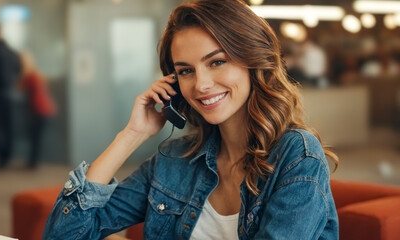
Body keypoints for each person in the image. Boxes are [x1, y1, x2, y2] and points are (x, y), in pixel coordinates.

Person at [43, 0, 339, 239]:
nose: (201, 85)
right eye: (185, 70)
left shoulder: (297, 154)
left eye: (217, 62)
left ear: (253, 61)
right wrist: (132, 134)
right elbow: (64, 234)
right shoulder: (174, 160)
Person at [0, 24, 22, 169]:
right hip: (10, 93)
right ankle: (7, 157)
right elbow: (18, 69)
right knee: (8, 127)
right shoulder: (12, 52)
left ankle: (2, 158)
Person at [18, 52, 57, 169]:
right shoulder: (36, 74)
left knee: (35, 138)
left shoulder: (30, 76)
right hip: (43, 109)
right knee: (36, 138)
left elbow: (21, 88)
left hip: (39, 110)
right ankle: (33, 162)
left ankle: (33, 163)